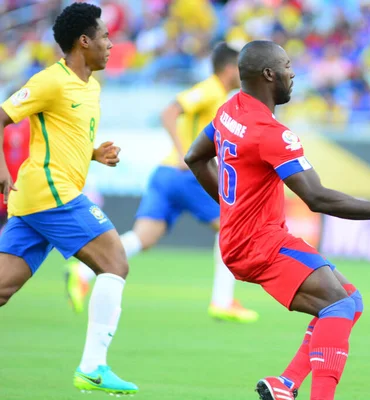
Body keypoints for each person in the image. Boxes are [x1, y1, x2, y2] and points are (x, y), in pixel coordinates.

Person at [184, 40, 370, 400]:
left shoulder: (230, 110)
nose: (293, 73)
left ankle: (286, 384)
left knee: (350, 299)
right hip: (260, 243)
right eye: (287, 66)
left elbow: (195, 157)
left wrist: (232, 208)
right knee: (339, 305)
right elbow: (317, 198)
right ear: (269, 75)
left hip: (245, 238)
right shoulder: (272, 134)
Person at [65, 42, 259, 323]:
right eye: (240, 69)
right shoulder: (211, 89)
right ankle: (223, 300)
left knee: (144, 237)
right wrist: (184, 154)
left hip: (165, 174)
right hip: (184, 174)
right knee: (231, 224)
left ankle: (81, 273)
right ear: (229, 69)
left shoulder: (219, 95)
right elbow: (170, 112)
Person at [0, 3, 138, 395]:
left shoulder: (90, 86)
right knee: (115, 260)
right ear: (84, 41)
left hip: (38, 201)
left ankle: (94, 366)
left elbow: (65, 134)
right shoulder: (50, 81)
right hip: (51, 193)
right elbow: (1, 116)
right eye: (105, 37)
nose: (111, 44)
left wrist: (93, 153)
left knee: (2, 289)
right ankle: (93, 367)